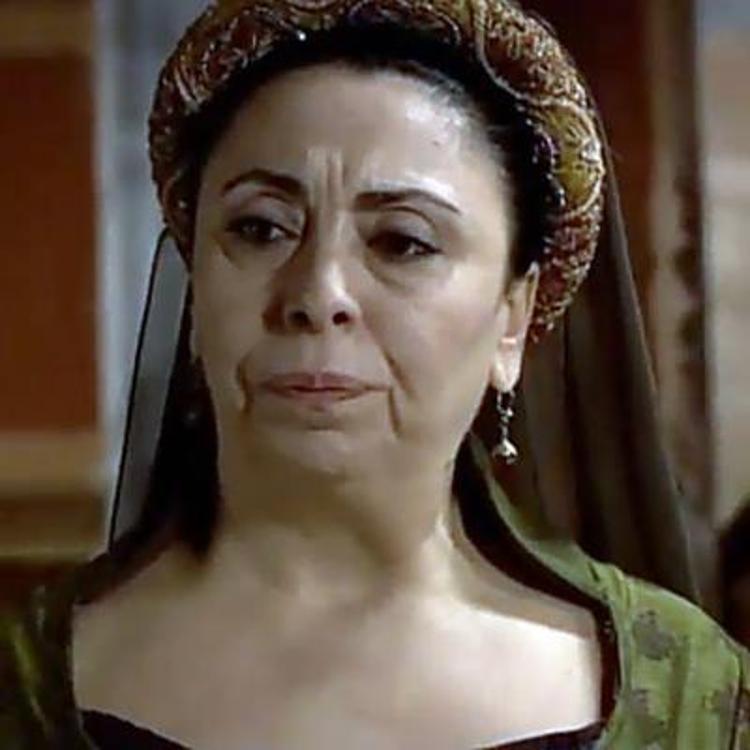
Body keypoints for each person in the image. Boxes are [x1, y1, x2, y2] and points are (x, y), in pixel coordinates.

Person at [1, 1, 748, 748]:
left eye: (402, 242)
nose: (318, 293)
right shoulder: (25, 689)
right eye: (261, 229)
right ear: (195, 286)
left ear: (513, 319)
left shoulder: (693, 702)